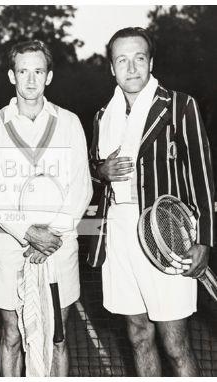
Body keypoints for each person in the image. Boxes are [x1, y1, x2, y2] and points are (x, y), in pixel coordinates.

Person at [88, 27, 214, 377]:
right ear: (112, 68)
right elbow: (92, 169)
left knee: (175, 344)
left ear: (151, 62)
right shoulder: (102, 116)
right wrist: (101, 170)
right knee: (139, 336)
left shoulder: (179, 105)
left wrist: (203, 240)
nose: (131, 68)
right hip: (119, 234)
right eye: (122, 60)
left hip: (166, 233)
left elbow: (202, 175)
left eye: (139, 58)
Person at [0, 40, 92, 376]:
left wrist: (52, 234)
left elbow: (81, 187)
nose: (31, 80)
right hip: (11, 246)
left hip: (59, 247)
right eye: (23, 71)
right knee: (13, 335)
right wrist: (28, 233)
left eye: (38, 71)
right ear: (11, 76)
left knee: (57, 337)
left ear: (50, 76)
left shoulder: (69, 122)